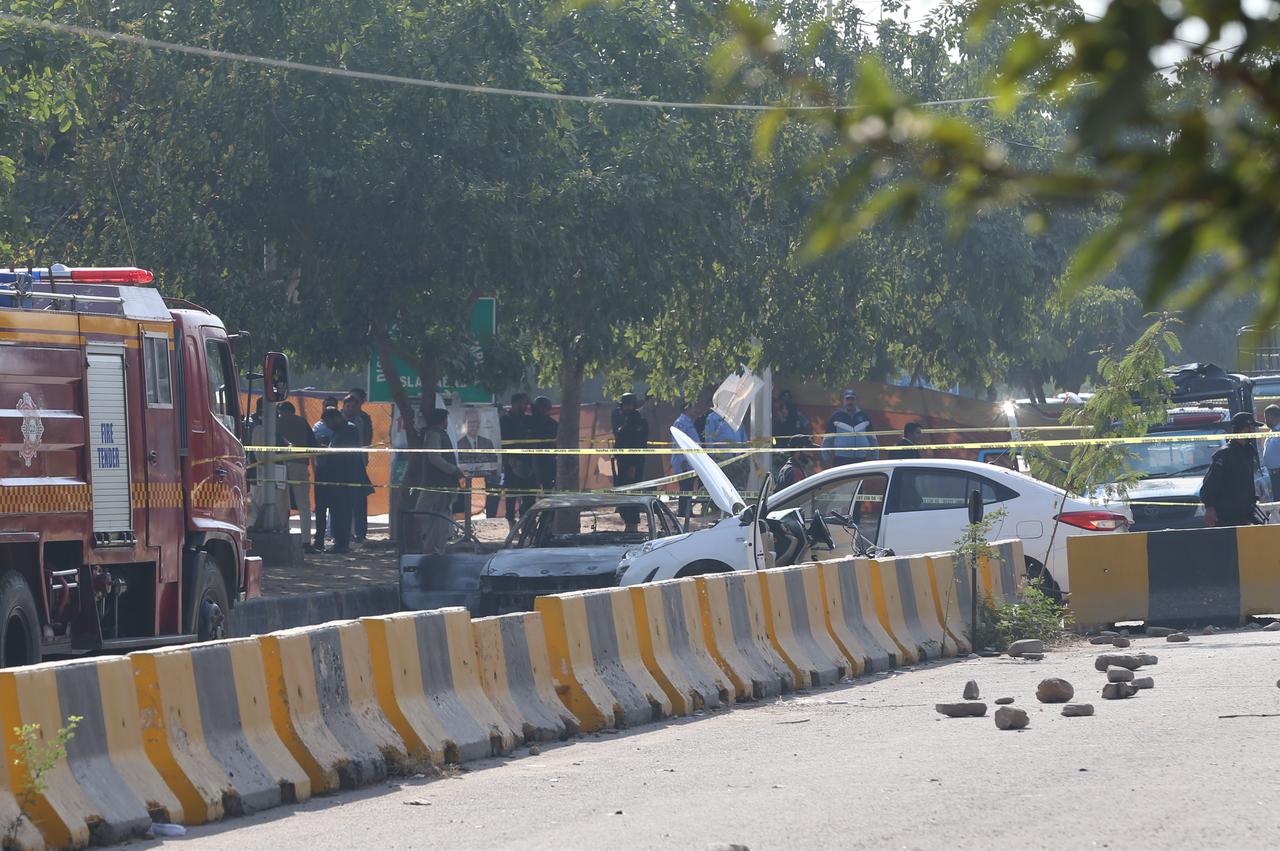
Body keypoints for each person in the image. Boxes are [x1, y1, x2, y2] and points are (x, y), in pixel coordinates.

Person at [1200, 411, 1264, 528]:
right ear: (1244, 428)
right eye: (1251, 428)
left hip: (1245, 513)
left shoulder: (1248, 451)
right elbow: (1210, 484)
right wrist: (1209, 507)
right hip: (1227, 516)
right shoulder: (1224, 454)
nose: (1254, 432)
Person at [413, 407, 465, 554]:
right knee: (429, 514)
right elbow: (434, 457)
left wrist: (453, 471)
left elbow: (435, 458)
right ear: (443, 421)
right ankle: (433, 546)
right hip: (436, 484)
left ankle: (434, 548)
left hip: (440, 484)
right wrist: (453, 470)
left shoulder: (436, 434)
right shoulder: (435, 434)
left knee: (437, 516)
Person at [313, 408, 362, 553]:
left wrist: (327, 451)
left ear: (335, 418)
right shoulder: (340, 431)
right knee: (337, 512)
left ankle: (342, 544)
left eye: (328, 422)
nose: (327, 426)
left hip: (343, 478)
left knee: (342, 512)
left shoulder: (348, 430)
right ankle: (340, 543)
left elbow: (342, 454)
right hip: (335, 478)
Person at [276, 401, 320, 553]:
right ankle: (306, 542)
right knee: (304, 505)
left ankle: (282, 537)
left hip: (278, 466)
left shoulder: (275, 422)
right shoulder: (302, 422)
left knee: (282, 503)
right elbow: (313, 445)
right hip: (300, 465)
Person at [612, 392, 650, 532]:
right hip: (623, 465)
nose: (624, 408)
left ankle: (632, 526)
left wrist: (633, 466)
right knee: (624, 497)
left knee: (632, 497)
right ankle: (628, 525)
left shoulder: (639, 422)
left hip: (632, 465)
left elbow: (638, 446)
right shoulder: (625, 421)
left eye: (627, 405)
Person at [500, 393, 537, 527]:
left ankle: (527, 523)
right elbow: (503, 442)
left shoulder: (528, 420)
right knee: (511, 495)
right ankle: (511, 523)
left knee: (529, 496)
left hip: (528, 462)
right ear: (515, 403)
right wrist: (508, 460)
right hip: (512, 462)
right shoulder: (505, 420)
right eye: (523, 403)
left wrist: (531, 404)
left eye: (527, 403)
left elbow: (537, 418)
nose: (526, 406)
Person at [457, 406, 500, 519]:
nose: (473, 425)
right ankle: (464, 516)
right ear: (464, 424)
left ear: (479, 423)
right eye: (470, 422)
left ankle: (491, 516)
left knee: (495, 484)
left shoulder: (487, 442)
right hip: (465, 477)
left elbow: (493, 460)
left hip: (486, 474)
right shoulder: (459, 444)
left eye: (475, 422)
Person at [343, 389, 374, 543]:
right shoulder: (338, 421)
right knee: (343, 502)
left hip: (358, 464)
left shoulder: (362, 421)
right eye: (347, 406)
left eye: (353, 405)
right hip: (341, 466)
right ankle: (344, 532)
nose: (349, 408)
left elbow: (365, 441)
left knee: (359, 500)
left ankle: (360, 533)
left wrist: (363, 460)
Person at [823, 389, 877, 467]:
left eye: (852, 399)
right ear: (844, 401)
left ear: (856, 400)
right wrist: (826, 457)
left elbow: (872, 439)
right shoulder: (836, 416)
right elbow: (828, 439)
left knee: (859, 479)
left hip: (860, 459)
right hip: (841, 459)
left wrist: (875, 457)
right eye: (847, 399)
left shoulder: (864, 416)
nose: (850, 402)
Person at [671, 400, 702, 530]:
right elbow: (678, 443)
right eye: (692, 407)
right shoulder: (680, 423)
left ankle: (687, 510)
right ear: (686, 408)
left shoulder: (689, 422)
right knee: (685, 487)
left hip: (691, 461)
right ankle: (683, 512)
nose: (694, 409)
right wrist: (683, 461)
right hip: (683, 461)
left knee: (689, 487)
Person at [530, 396, 559, 493]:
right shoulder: (529, 422)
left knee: (548, 488)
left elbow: (557, 443)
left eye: (544, 408)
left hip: (548, 460)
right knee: (530, 491)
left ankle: (547, 507)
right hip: (531, 460)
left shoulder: (553, 424)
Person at [1263, 404, 1280, 500]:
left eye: (1266, 418)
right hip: (1273, 475)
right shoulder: (1271, 432)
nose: (1265, 421)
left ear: (1272, 417)